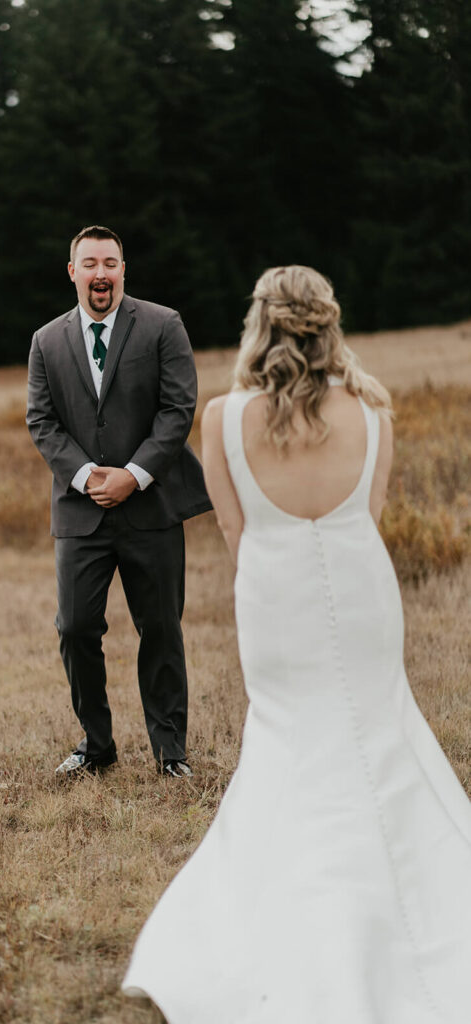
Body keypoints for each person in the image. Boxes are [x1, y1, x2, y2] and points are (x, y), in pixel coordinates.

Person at [122, 265, 471, 1022]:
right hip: (361, 592)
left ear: (260, 322)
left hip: (273, 595)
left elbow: (232, 529)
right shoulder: (373, 410)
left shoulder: (219, 417)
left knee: (287, 741)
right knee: (378, 734)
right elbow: (368, 516)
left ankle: (299, 917)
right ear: (328, 321)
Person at [26, 225, 212, 778]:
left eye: (110, 262)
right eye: (90, 263)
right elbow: (42, 421)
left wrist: (134, 475)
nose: (101, 273)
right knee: (75, 627)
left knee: (160, 628)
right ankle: (96, 746)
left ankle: (169, 752)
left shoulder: (162, 325)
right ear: (73, 272)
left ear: (123, 270)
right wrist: (87, 477)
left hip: (151, 507)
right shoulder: (46, 341)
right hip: (81, 513)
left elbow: (178, 409)